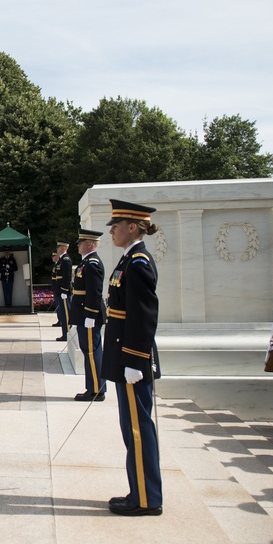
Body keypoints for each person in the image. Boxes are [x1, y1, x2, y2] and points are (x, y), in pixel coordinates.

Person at [102, 199, 163, 517]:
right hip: (126, 359)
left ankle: (146, 499)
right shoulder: (129, 260)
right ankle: (140, 490)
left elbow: (143, 317)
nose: (111, 230)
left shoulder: (138, 263)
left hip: (132, 362)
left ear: (133, 227)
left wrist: (135, 362)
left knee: (138, 428)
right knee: (132, 429)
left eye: (116, 225)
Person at [71, 229, 107, 402]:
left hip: (89, 313)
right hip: (84, 313)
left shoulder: (92, 264)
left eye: (81, 242)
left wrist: (91, 315)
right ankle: (94, 387)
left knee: (92, 352)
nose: (78, 245)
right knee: (89, 351)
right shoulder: (86, 263)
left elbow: (94, 292)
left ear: (90, 244)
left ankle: (96, 390)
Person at [54, 241, 73, 341]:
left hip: (63, 291)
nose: (57, 249)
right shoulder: (61, 260)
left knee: (66, 314)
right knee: (62, 313)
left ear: (64, 248)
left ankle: (67, 333)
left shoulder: (66, 260)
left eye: (59, 247)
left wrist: (64, 291)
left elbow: (67, 277)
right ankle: (65, 333)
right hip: (60, 291)